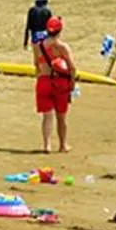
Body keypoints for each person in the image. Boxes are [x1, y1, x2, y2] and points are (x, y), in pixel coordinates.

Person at [34, 15, 76, 152]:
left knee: (47, 116)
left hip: (43, 80)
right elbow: (72, 67)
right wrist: (72, 83)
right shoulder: (62, 47)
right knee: (61, 116)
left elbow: (37, 64)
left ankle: (46, 145)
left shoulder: (38, 46)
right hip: (60, 82)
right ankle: (63, 145)